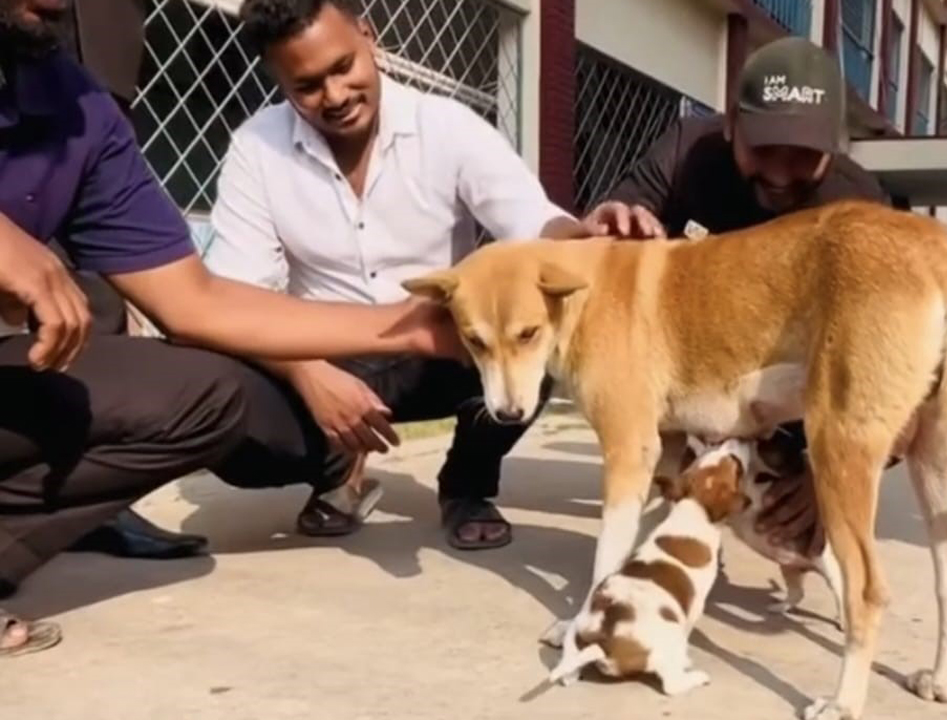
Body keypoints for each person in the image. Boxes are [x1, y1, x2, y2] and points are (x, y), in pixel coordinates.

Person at [0, 0, 466, 657]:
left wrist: (413, 326)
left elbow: (195, 302)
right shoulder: (260, 145)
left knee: (211, 394)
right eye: (308, 82)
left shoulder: (73, 104)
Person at [205, 0, 589, 552]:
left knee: (534, 345)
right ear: (278, 79)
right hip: (324, 355)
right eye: (307, 86)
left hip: (436, 349)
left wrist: (590, 244)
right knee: (226, 402)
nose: (334, 97)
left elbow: (533, 223)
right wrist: (309, 374)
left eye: (343, 68)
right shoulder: (255, 149)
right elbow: (233, 299)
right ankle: (339, 472)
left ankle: (465, 486)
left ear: (368, 35)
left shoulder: (447, 126)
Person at [582, 36, 888, 553]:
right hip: (704, 369)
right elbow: (617, 218)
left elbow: (897, 372)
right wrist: (610, 225)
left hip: (800, 380)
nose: (778, 172)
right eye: (763, 149)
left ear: (836, 148)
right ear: (730, 126)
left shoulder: (859, 205)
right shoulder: (687, 152)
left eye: (804, 156)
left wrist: (832, 469)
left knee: (808, 534)